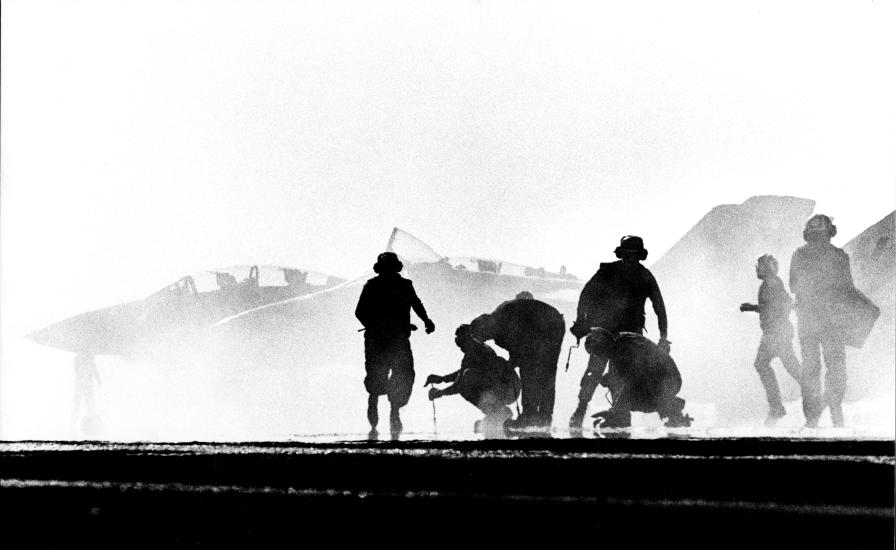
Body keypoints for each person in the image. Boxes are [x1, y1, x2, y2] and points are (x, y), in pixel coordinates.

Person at [569, 235, 669, 430]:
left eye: (634, 255)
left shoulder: (645, 276)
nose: (631, 258)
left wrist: (663, 335)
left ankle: (619, 414)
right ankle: (580, 410)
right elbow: (586, 295)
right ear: (622, 254)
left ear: (640, 256)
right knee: (594, 371)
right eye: (628, 254)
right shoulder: (607, 272)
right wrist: (582, 320)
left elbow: (659, 307)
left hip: (631, 337)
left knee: (621, 375)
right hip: (605, 331)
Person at [789, 214, 878, 428]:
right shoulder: (839, 256)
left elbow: (793, 286)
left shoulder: (799, 255)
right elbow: (847, 289)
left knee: (810, 369)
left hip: (808, 322)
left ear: (808, 234)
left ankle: (811, 417)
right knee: (836, 369)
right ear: (830, 233)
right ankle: (835, 412)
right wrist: (868, 307)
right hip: (833, 322)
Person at [355, 252, 435, 438]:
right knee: (381, 377)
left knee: (402, 374)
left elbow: (415, 303)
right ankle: (383, 408)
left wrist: (426, 320)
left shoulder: (396, 285)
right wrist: (378, 327)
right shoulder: (378, 286)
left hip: (391, 340)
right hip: (383, 340)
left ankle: (392, 410)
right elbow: (360, 312)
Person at [469, 292, 565, 430]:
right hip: (551, 323)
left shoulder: (503, 320)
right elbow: (517, 350)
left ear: (485, 327)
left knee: (535, 372)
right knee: (543, 371)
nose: (486, 340)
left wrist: (510, 367)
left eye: (483, 337)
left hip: (548, 325)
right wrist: (511, 365)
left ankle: (531, 416)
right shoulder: (498, 325)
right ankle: (543, 417)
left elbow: (522, 350)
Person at [584, 327, 691, 429]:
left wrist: (615, 411)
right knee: (629, 396)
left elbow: (632, 379)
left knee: (634, 400)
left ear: (604, 345)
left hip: (667, 382)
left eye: (598, 351)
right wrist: (601, 379)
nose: (600, 356)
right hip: (665, 379)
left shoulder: (622, 348)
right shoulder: (621, 343)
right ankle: (671, 408)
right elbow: (628, 373)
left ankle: (670, 407)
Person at [740, 254, 803, 427]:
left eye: (760, 266)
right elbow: (783, 303)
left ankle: (778, 407)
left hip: (776, 333)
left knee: (764, 364)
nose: (757, 269)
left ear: (767, 268)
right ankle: (809, 392)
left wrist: (752, 307)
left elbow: (775, 307)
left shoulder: (771, 283)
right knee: (789, 366)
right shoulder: (773, 283)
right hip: (776, 332)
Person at [425, 324, 520, 433]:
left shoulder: (473, 353)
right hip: (510, 388)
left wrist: (440, 393)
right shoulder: (480, 349)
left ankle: (497, 413)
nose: (460, 347)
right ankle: (498, 412)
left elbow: (460, 383)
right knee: (468, 377)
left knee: (465, 385)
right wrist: (442, 379)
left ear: (467, 338)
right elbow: (463, 373)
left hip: (507, 389)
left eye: (460, 343)